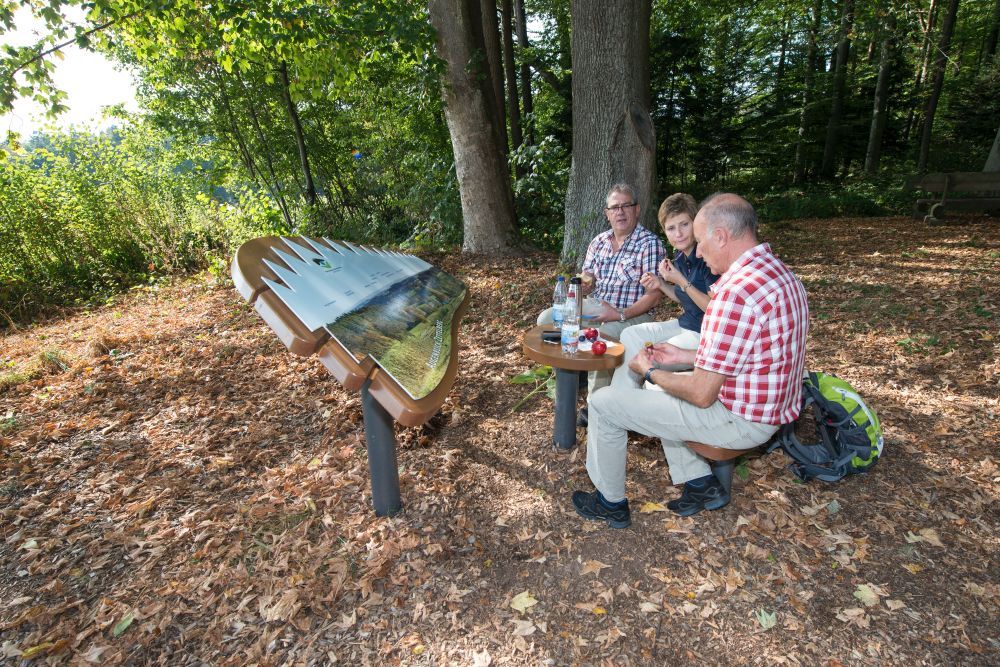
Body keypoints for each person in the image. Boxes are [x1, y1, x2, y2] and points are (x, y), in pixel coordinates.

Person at [572, 193, 809, 527]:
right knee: (654, 395)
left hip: (739, 419)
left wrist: (651, 370)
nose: (697, 252)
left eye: (699, 241)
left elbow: (700, 393)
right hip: (767, 408)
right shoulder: (779, 274)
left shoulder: (735, 293)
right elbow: (747, 351)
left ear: (722, 236)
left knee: (603, 404)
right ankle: (699, 482)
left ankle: (609, 503)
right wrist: (681, 354)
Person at [537, 183, 665, 400]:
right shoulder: (599, 242)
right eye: (614, 207)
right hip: (597, 308)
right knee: (548, 319)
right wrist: (587, 284)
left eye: (626, 205)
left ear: (637, 209)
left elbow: (653, 297)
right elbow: (588, 278)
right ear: (607, 214)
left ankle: (596, 406)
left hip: (631, 313)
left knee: (600, 340)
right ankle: (574, 373)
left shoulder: (650, 244)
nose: (620, 212)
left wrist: (619, 314)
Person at [611, 193, 718, 390]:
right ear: (665, 233)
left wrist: (680, 280)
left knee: (652, 357)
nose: (679, 233)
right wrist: (661, 284)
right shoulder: (679, 257)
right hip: (684, 323)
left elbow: (714, 308)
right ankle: (622, 395)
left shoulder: (707, 258)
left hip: (702, 333)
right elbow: (683, 297)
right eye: (671, 228)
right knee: (630, 335)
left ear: (695, 224)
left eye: (684, 224)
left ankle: (631, 399)